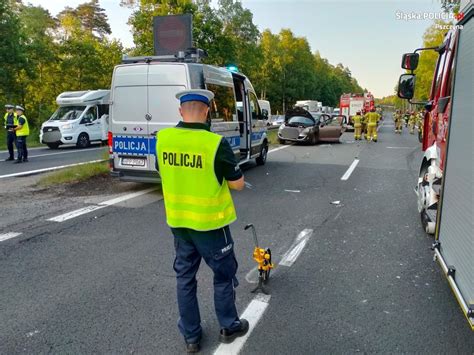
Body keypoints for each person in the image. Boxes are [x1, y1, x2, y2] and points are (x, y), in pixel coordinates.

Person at [156, 89, 249, 353]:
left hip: (179, 223)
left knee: (185, 278)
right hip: (211, 226)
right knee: (223, 275)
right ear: (207, 111)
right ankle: (229, 325)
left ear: (180, 112)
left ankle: (191, 336)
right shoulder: (214, 143)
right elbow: (238, 184)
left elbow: (163, 171)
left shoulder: (163, 139)